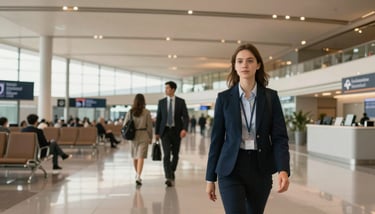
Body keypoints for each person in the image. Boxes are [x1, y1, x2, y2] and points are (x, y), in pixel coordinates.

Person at [205, 43, 290, 213]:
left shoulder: (270, 97)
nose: (245, 65)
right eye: (240, 61)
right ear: (235, 66)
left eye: (250, 61)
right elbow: (217, 139)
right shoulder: (224, 99)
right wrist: (210, 178)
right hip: (231, 168)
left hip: (261, 168)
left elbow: (280, 137)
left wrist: (283, 169)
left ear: (258, 65)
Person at [155, 81, 189, 187]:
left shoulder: (181, 102)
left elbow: (186, 117)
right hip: (164, 132)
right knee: (166, 155)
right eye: (165, 88)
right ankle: (168, 177)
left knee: (175, 155)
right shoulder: (161, 102)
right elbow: (159, 118)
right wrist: (156, 133)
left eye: (167, 88)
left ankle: (172, 170)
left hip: (176, 131)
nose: (166, 90)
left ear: (173, 89)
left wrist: (184, 129)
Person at [123, 94, 153, 186]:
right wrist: (150, 137)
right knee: (141, 156)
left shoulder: (130, 112)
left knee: (135, 157)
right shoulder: (147, 112)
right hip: (143, 135)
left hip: (133, 136)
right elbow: (149, 126)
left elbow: (124, 125)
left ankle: (137, 175)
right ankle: (138, 175)